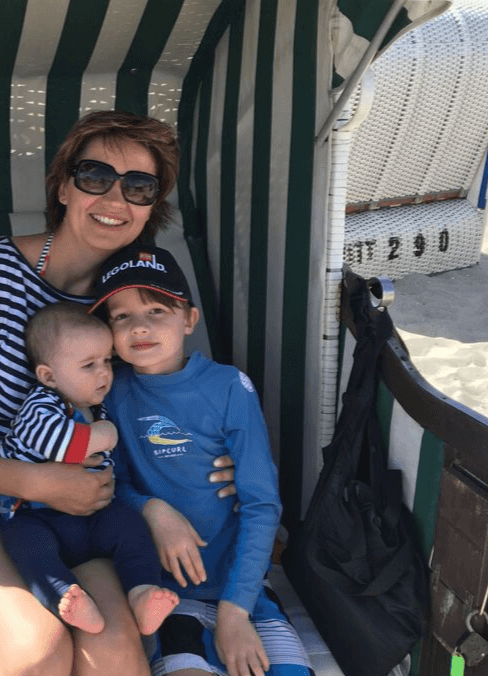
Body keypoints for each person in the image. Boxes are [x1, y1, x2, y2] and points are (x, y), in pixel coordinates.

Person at [0, 110, 237, 676]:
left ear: (154, 208)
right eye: (95, 176)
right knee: (38, 653)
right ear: (62, 185)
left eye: (139, 187)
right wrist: (39, 481)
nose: (115, 198)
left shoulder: (132, 303)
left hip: (81, 510)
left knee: (114, 657)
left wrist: (212, 456)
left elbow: (165, 404)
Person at [92, 244, 314, 676]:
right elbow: (104, 484)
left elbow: (261, 502)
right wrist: (152, 510)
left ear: (189, 319)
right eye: (121, 317)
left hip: (244, 591)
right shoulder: (110, 391)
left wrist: (234, 614)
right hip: (165, 595)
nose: (139, 326)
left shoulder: (230, 386)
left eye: (157, 310)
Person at [0, 302, 179, 635]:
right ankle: (64, 596)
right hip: (39, 518)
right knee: (26, 546)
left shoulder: (97, 407)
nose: (103, 373)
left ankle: (142, 593)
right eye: (88, 365)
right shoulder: (40, 405)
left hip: (93, 517)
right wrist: (103, 435)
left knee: (129, 527)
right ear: (48, 375)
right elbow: (56, 444)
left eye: (107, 361)